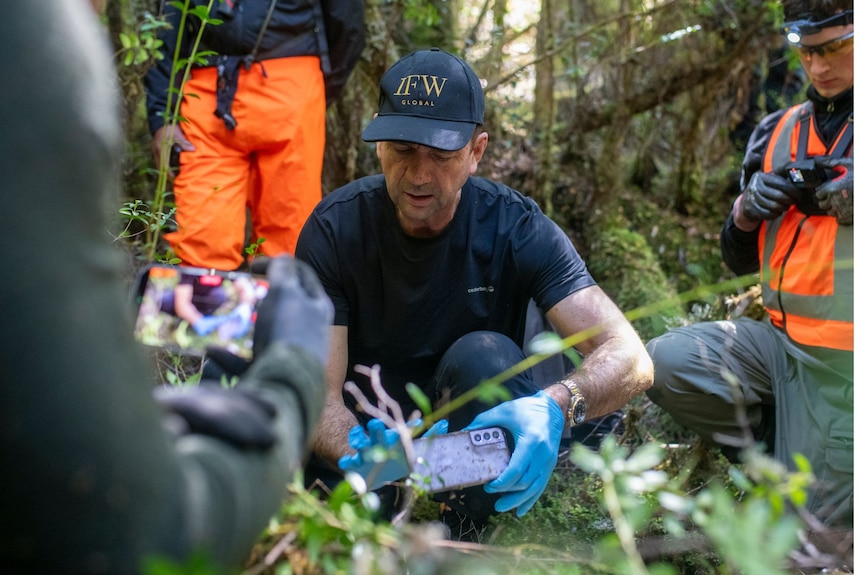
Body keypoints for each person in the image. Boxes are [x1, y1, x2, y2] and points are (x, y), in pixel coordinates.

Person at [0, 2, 334, 573]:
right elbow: (141, 533)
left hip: (290, 74)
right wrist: (294, 377)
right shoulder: (32, 48)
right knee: (206, 260)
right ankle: (209, 392)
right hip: (209, 88)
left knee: (281, 250)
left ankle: (203, 394)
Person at [294, 48, 654, 540]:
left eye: (441, 155)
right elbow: (318, 392)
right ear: (378, 145)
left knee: (487, 356)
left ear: (476, 151)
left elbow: (632, 357)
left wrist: (556, 403)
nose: (419, 175)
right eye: (402, 149)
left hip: (473, 449)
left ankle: (465, 531)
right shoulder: (336, 229)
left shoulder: (515, 229)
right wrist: (362, 450)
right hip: (367, 443)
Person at [646, 0, 852, 529]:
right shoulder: (775, 131)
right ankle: (780, 449)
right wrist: (743, 214)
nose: (820, 66)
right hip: (783, 351)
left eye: (835, 48)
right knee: (667, 362)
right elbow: (736, 258)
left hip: (848, 370)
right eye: (808, 52)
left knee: (805, 545)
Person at [145, 0, 365, 270]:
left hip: (292, 90)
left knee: (290, 245)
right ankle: (206, 304)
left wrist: (312, 95)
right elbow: (167, 27)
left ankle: (283, 309)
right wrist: (162, 117)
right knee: (201, 243)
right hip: (207, 97)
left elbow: (348, 27)